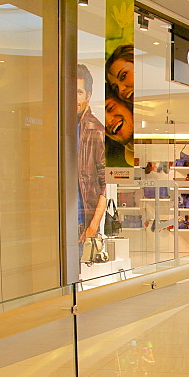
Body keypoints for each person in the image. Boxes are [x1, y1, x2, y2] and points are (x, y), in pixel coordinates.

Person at [76, 64, 107, 245]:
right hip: (60, 221)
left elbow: (105, 185)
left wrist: (92, 227)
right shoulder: (61, 128)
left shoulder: (96, 131)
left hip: (82, 224)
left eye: (79, 92)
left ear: (88, 95)